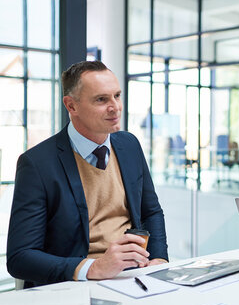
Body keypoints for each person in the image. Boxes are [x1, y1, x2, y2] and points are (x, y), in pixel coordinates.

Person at [7, 61, 169, 288]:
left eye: (117, 96)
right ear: (71, 106)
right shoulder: (36, 164)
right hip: (76, 283)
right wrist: (93, 268)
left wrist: (158, 259)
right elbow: (20, 258)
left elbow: (151, 212)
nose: (115, 107)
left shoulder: (129, 144)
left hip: (134, 277)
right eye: (101, 99)